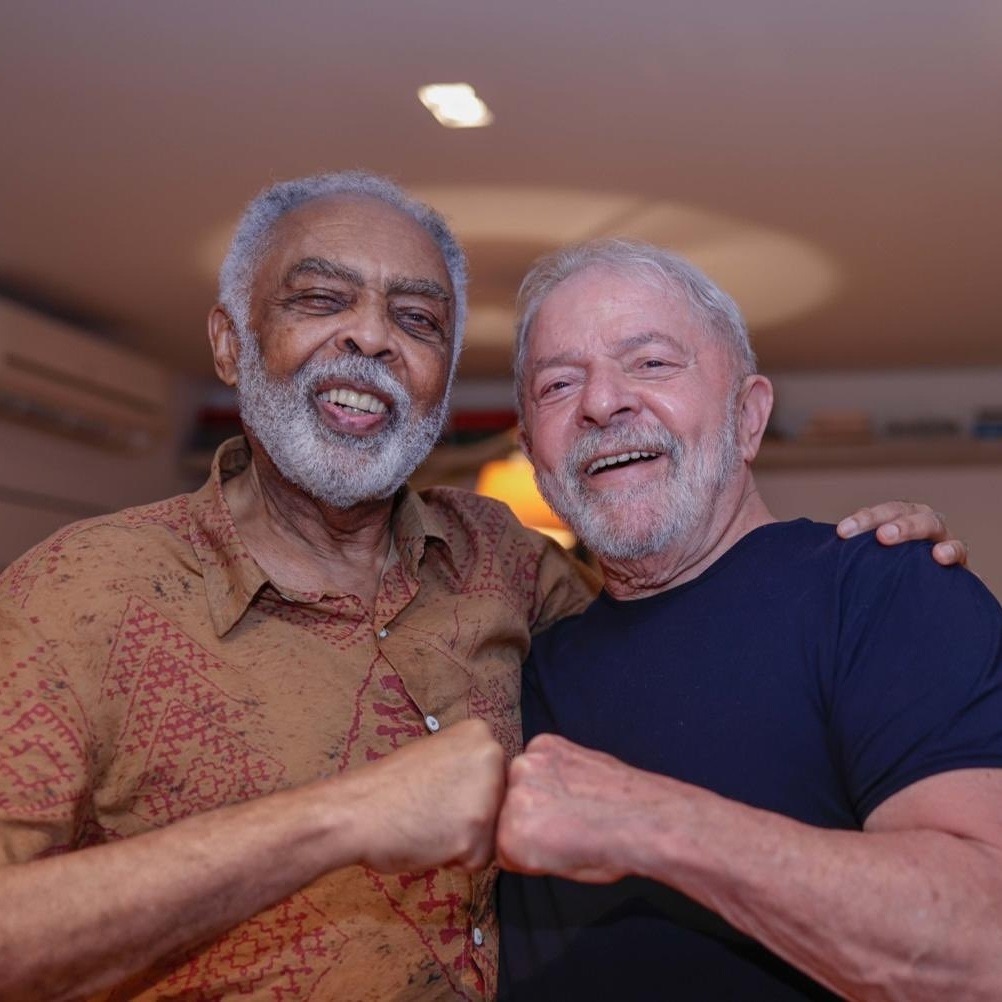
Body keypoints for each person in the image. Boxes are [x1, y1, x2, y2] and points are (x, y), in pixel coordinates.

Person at [0, 172, 966, 1002]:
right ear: (229, 343)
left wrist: (866, 570)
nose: (371, 338)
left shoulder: (504, 563)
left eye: (416, 319)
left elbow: (683, 594)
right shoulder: (80, 596)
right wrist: (335, 820)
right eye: (321, 299)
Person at [495, 238, 1002, 1000]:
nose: (601, 403)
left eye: (651, 363)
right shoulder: (515, 666)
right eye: (559, 384)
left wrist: (655, 823)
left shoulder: (884, 591)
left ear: (749, 416)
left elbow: (985, 946)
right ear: (535, 456)